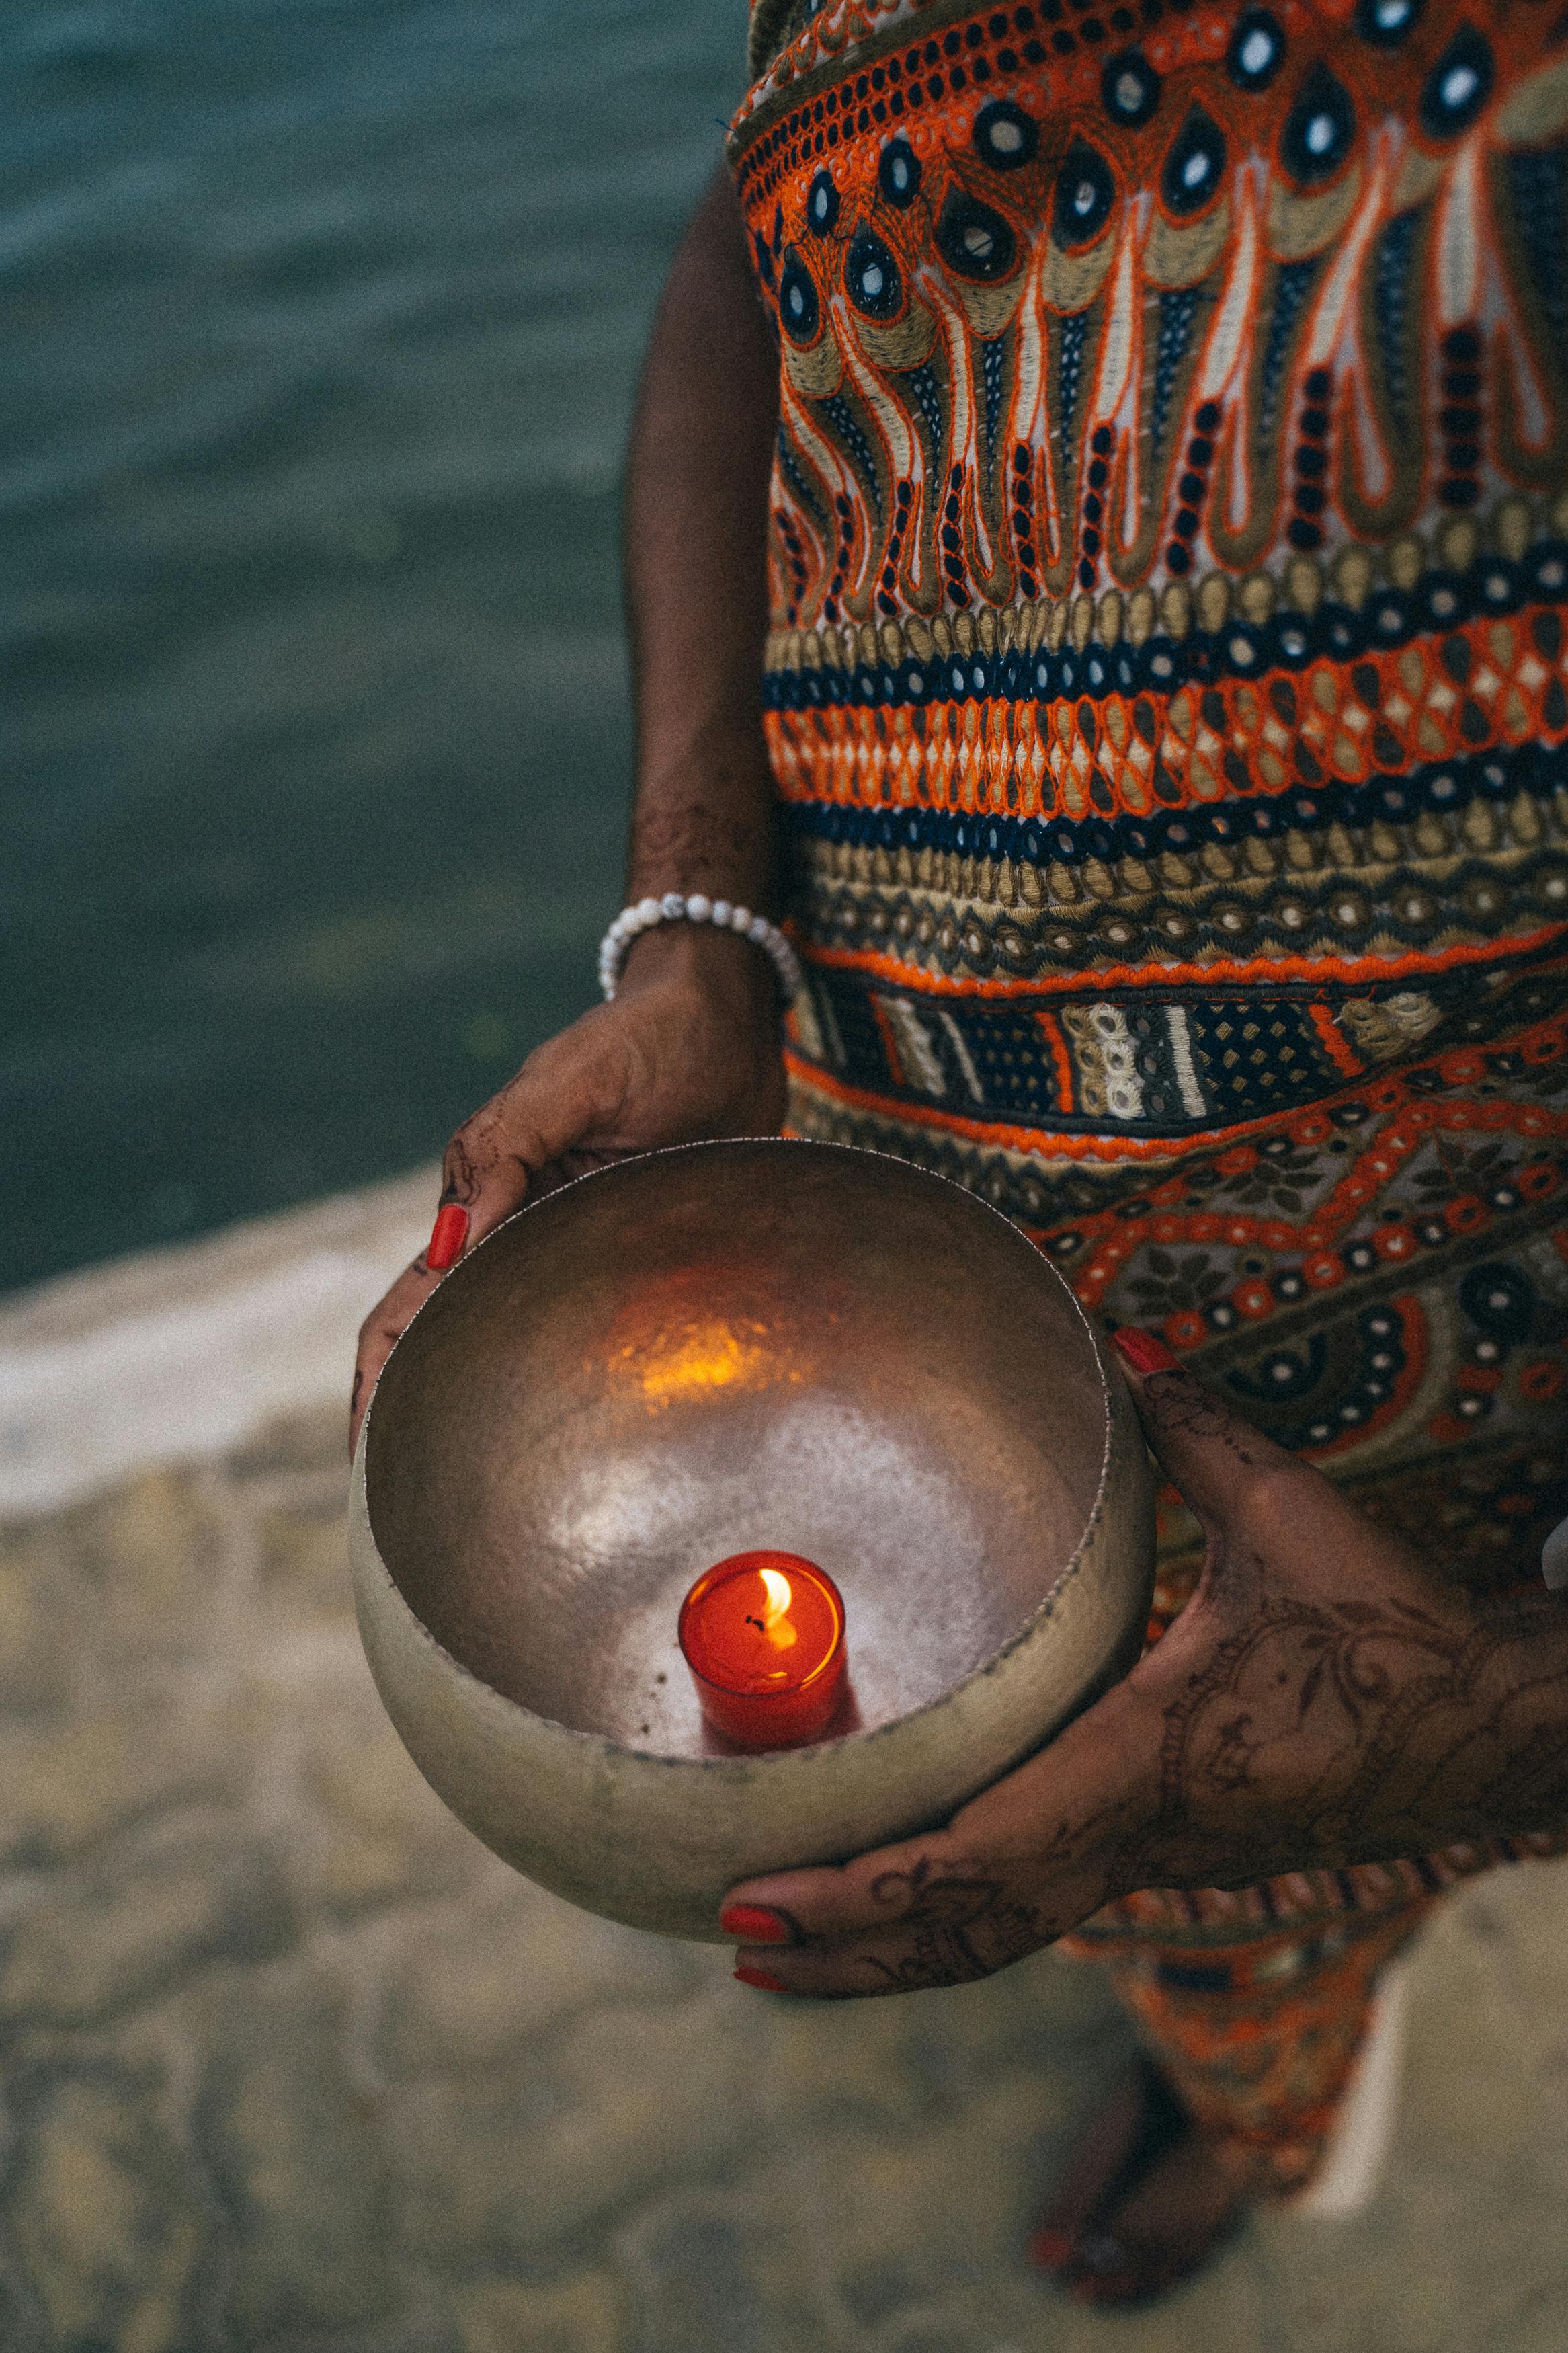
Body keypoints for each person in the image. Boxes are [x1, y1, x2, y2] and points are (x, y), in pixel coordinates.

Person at [352, 0, 1568, 2303]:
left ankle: (1270, 2095)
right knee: (992, 1804)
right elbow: (753, 240)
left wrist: (1505, 1729)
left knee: (1272, 1864)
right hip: (868, 1155)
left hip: (1419, 1411)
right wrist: (700, 937)